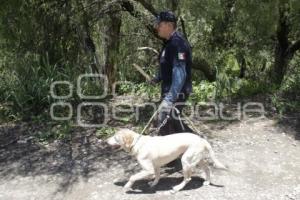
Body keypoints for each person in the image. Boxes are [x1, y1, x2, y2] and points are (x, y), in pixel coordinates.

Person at [150, 11, 193, 136]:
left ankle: (191, 146)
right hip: (169, 90)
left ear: (169, 25)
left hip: (178, 91)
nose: (156, 27)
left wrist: (169, 99)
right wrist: (157, 78)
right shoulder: (168, 44)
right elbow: (166, 67)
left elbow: (180, 73)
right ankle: (195, 144)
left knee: (165, 122)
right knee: (172, 121)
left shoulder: (178, 44)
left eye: (159, 24)